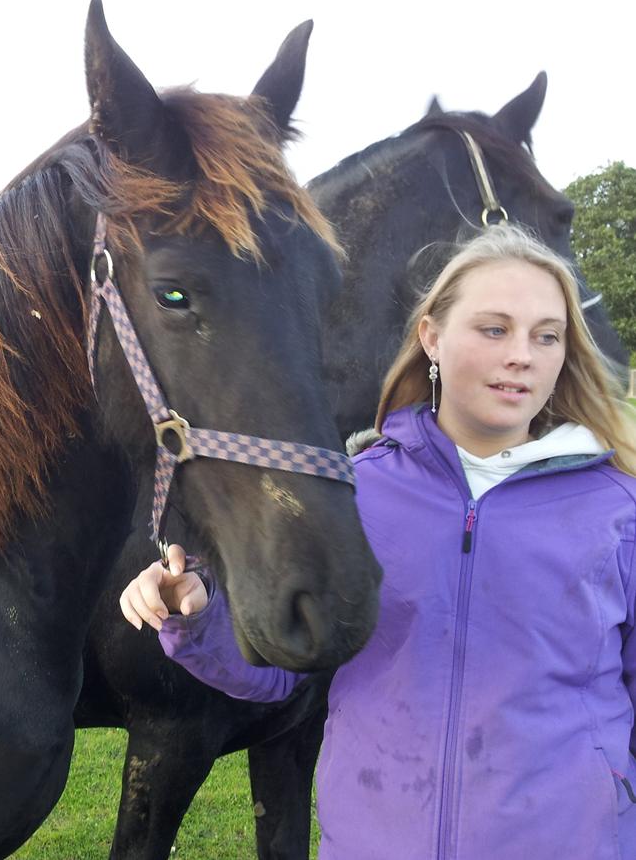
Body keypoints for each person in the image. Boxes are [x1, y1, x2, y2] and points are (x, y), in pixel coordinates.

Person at [119, 224, 636, 859]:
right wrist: (199, 614)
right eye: (495, 328)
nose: (522, 355)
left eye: (546, 335)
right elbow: (283, 674)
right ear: (433, 339)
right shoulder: (355, 492)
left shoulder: (618, 508)